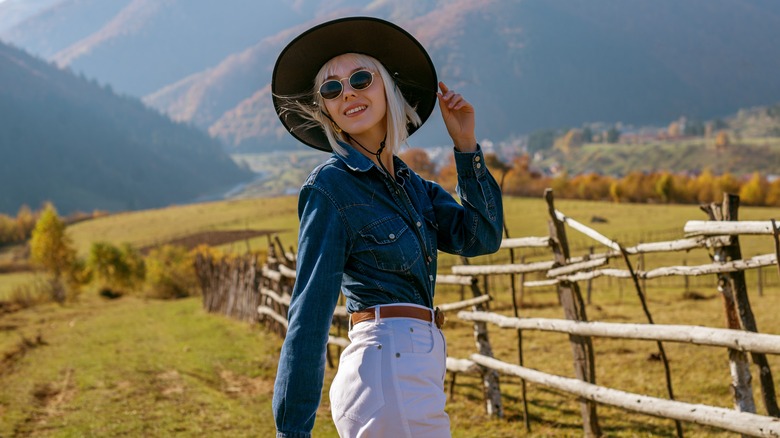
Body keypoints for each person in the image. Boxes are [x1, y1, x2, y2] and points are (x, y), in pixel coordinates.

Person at [270, 16, 504, 438]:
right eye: (331, 88)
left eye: (361, 77)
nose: (349, 93)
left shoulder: (413, 188)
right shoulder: (330, 188)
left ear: (388, 88)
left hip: (414, 366)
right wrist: (292, 431)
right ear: (325, 107)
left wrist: (466, 147)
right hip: (386, 369)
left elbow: (481, 237)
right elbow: (308, 316)